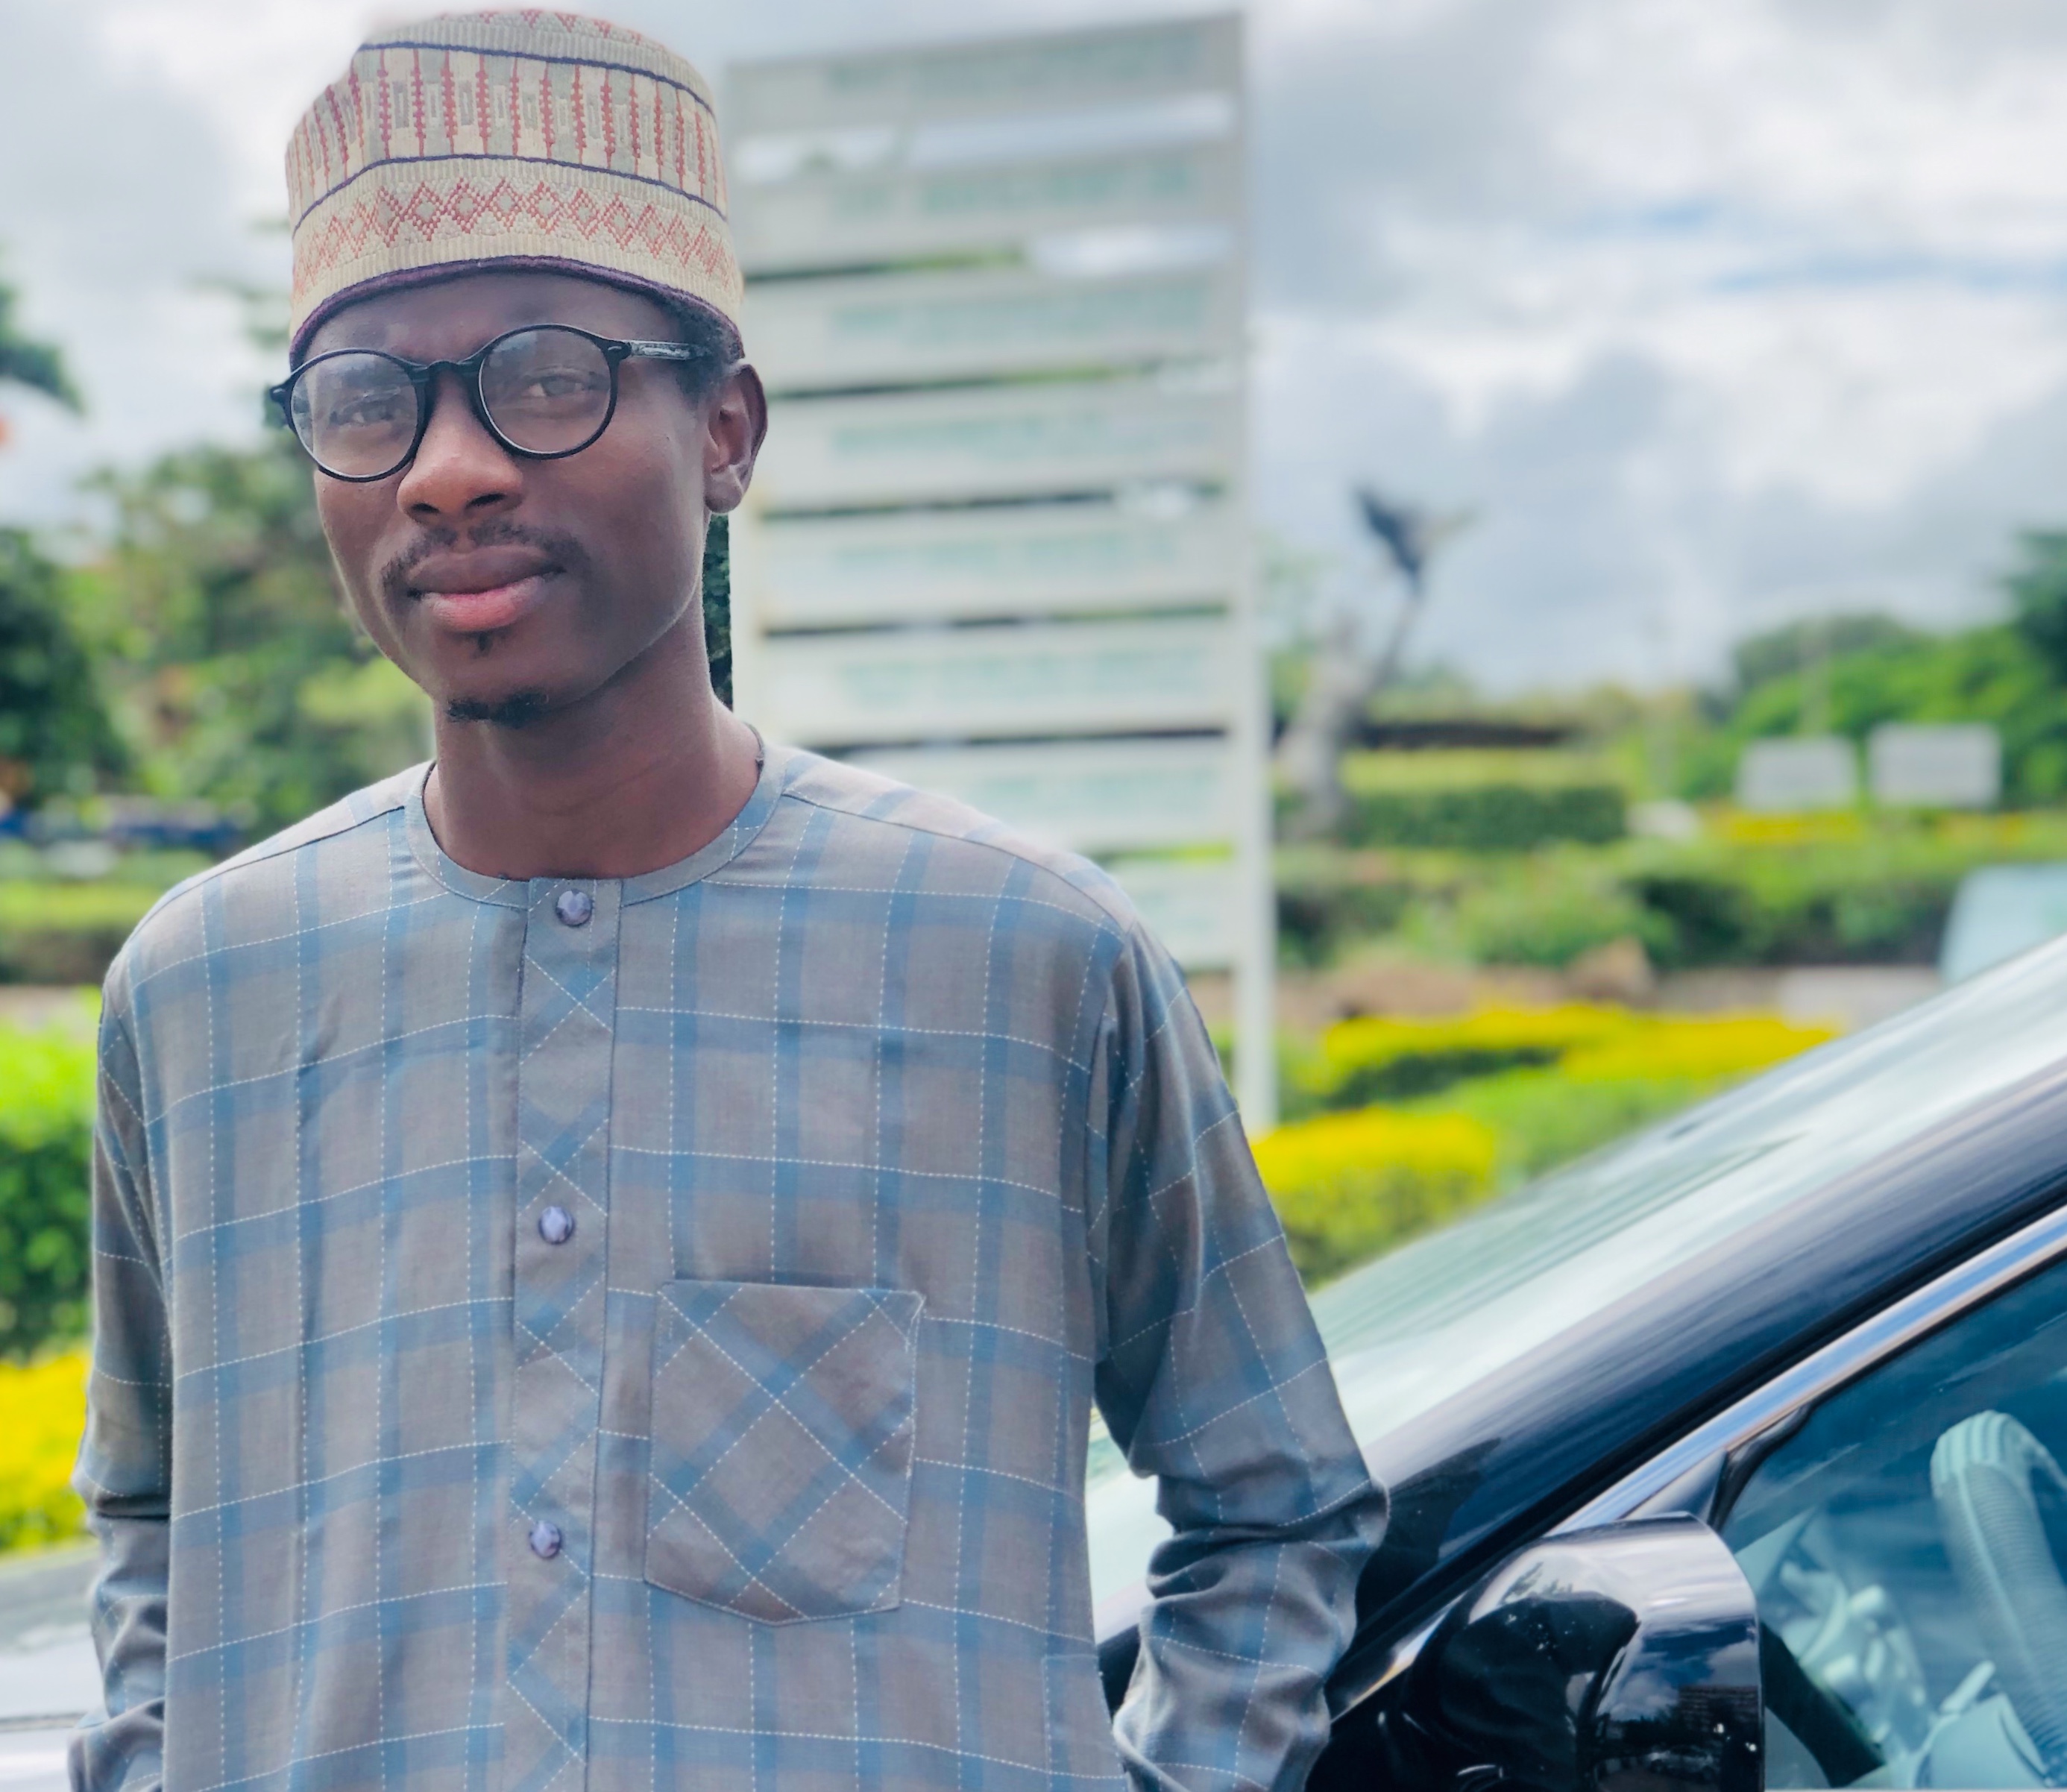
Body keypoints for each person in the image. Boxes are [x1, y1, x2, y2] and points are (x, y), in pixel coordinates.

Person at [71, 14, 1383, 1792]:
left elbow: (1273, 1500)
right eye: (368, 402)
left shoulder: (1027, 965)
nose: (446, 467)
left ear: (727, 430)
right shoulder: (199, 992)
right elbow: (153, 1516)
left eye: (545, 377)